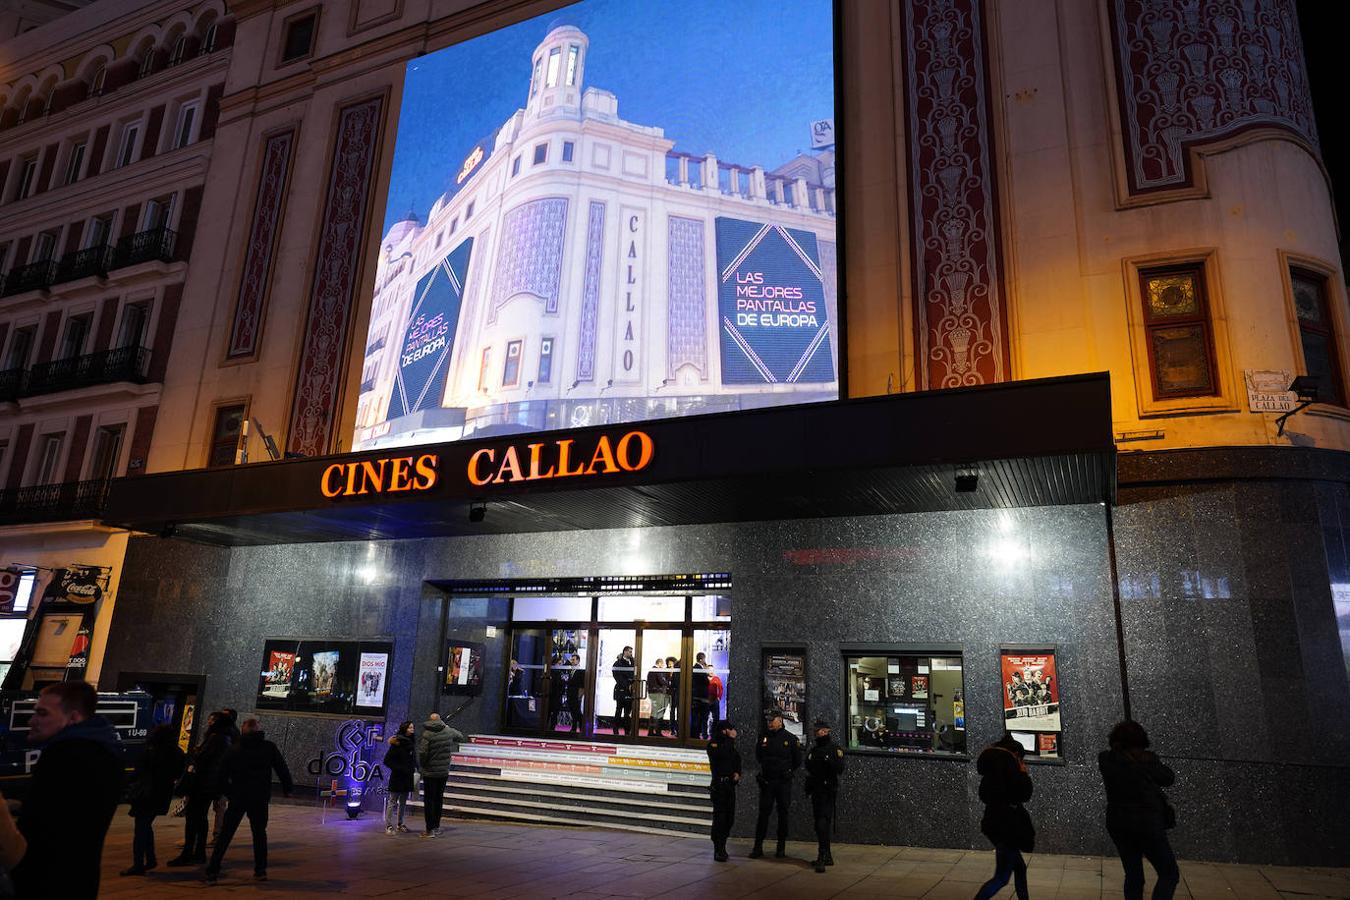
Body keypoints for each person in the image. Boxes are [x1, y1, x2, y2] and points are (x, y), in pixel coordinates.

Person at [9, 681, 123, 899]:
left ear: (73, 717)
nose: (32, 721)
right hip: (80, 881)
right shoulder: (107, 753)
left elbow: (36, 829)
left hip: (43, 883)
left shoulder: (63, 756)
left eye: (42, 714)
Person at [204, 718, 293, 884]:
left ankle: (213, 870)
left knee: (226, 835)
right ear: (258, 730)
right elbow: (281, 768)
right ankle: (260, 870)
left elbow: (221, 773)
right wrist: (288, 788)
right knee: (259, 834)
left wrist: (225, 792)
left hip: (238, 796)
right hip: (259, 797)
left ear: (243, 731)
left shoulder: (234, 749)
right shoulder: (268, 747)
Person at [1099, 721, 1180, 900]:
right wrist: (1146, 760)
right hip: (1147, 823)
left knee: (1134, 875)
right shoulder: (1146, 760)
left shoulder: (1106, 759)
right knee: (1169, 873)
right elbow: (1167, 778)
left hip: (1118, 822)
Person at [973, 734, 1034, 900]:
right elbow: (1023, 793)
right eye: (1020, 757)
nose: (1022, 760)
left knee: (1019, 867)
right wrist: (1023, 773)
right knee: (1001, 877)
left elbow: (985, 795)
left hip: (995, 822)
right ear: (1015, 753)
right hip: (1007, 827)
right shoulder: (1008, 765)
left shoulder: (992, 767)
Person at [168, 711, 234, 867]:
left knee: (193, 817)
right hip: (210, 785)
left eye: (212, 720)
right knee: (200, 818)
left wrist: (197, 752)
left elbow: (202, 758)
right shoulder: (224, 738)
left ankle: (190, 852)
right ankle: (198, 852)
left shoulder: (216, 739)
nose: (209, 722)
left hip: (202, 784)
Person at [122, 724, 186, 876]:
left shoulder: (151, 750)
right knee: (145, 825)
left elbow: (139, 771)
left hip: (146, 793)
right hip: (161, 793)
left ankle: (139, 864)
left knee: (141, 828)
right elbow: (177, 772)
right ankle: (150, 859)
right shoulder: (177, 752)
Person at [750, 711, 800, 859]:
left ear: (781, 721)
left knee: (783, 814)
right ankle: (758, 847)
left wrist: (787, 771)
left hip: (783, 782)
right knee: (763, 814)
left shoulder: (790, 739)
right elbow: (759, 756)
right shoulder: (763, 737)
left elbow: (797, 760)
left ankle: (781, 848)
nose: (770, 723)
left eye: (773, 721)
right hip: (768, 781)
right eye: (768, 721)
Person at [804, 718, 845, 873]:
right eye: (817, 730)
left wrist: (828, 761)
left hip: (827, 791)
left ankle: (823, 855)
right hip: (816, 790)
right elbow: (808, 766)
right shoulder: (814, 751)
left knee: (822, 823)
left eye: (820, 730)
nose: (817, 732)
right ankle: (826, 855)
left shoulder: (834, 749)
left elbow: (840, 768)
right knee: (819, 824)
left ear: (827, 731)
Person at [417, 712, 466, 837]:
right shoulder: (447, 731)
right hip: (443, 772)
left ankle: (429, 830)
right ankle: (437, 827)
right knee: (438, 799)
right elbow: (461, 736)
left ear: (430, 720)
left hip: (430, 772)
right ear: (440, 720)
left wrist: (422, 765)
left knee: (429, 800)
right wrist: (448, 728)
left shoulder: (427, 734)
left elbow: (422, 753)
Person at [706, 719, 741, 862]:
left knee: (729, 818)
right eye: (730, 729)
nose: (733, 731)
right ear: (724, 731)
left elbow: (736, 759)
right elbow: (722, 756)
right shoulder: (714, 744)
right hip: (719, 786)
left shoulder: (730, 745)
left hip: (729, 786)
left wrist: (738, 772)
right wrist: (730, 739)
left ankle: (723, 845)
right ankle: (718, 848)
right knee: (720, 818)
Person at [211, 708, 241, 844]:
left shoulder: (227, 735)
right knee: (219, 806)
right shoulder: (227, 733)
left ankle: (218, 836)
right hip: (220, 774)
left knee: (220, 805)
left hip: (220, 775)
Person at [382, 721, 417, 834]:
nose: (412, 729)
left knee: (403, 802)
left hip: (407, 776)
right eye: (410, 728)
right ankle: (388, 825)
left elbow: (412, 759)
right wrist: (400, 768)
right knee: (393, 801)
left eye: (413, 727)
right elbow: (387, 760)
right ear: (405, 729)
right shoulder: (397, 743)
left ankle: (400, 823)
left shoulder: (411, 743)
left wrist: (415, 768)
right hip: (398, 776)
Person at [611, 646, 635, 735]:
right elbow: (617, 676)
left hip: (630, 691)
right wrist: (627, 685)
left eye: (631, 652)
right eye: (629, 651)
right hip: (621, 690)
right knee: (619, 710)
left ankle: (627, 731)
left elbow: (635, 674)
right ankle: (615, 730)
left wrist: (632, 685)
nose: (631, 653)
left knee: (627, 712)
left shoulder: (633, 662)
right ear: (624, 652)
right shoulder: (618, 663)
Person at [690, 652, 711, 739]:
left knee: (695, 717)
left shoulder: (694, 668)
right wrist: (706, 671)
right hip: (701, 697)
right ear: (701, 659)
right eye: (704, 659)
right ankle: (697, 735)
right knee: (701, 718)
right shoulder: (699, 669)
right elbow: (706, 682)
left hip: (695, 696)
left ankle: (694, 735)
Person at [647, 659, 670, 736]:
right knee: (658, 713)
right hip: (657, 694)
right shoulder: (657, 670)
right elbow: (662, 681)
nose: (663, 666)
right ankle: (657, 731)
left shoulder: (651, 670)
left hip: (652, 693)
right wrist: (669, 683)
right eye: (662, 664)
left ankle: (651, 731)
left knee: (654, 712)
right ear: (659, 663)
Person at [564, 654, 586, 734]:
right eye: (571, 660)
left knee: (577, 711)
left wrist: (580, 695)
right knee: (573, 711)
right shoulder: (570, 670)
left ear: (578, 660)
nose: (572, 661)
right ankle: (575, 727)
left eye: (573, 660)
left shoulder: (581, 670)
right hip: (570, 693)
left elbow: (582, 684)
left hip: (576, 694)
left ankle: (579, 727)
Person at [666, 656, 681, 734]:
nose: (670, 665)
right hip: (674, 693)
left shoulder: (676, 669)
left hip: (674, 693)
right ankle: (674, 729)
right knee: (674, 711)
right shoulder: (670, 670)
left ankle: (673, 729)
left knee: (673, 711)